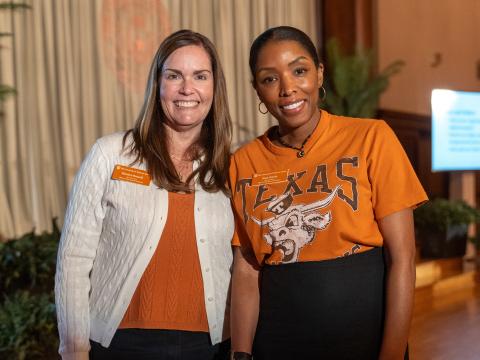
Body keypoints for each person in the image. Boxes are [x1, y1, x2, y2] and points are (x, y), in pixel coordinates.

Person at [229, 26, 428, 360]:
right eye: (269, 79)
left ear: (319, 74)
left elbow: (403, 258)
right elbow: (247, 270)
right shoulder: (243, 162)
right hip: (279, 341)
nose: (288, 89)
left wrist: (391, 355)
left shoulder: (372, 138)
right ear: (257, 90)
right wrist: (240, 354)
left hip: (365, 338)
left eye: (299, 71)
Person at [55, 29, 234, 360]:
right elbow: (74, 258)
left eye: (200, 76)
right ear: (158, 85)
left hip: (210, 348)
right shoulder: (110, 154)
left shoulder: (231, 168)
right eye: (174, 75)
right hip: (118, 345)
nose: (187, 89)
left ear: (214, 87)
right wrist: (74, 347)